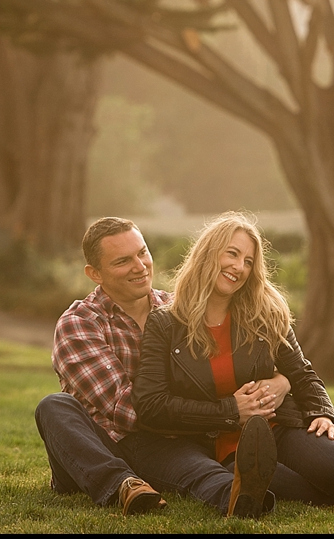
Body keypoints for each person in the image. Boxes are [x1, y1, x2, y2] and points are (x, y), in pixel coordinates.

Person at [133, 212, 334, 516]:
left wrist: (323, 413)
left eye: (248, 261)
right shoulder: (165, 324)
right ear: (208, 253)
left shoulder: (264, 313)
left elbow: (301, 371)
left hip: (279, 428)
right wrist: (230, 411)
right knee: (290, 486)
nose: (239, 267)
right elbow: (151, 404)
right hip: (221, 447)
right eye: (231, 254)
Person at [35, 216, 294, 516]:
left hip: (174, 440)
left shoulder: (178, 309)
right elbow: (127, 410)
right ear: (95, 273)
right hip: (105, 444)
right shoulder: (79, 324)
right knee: (54, 406)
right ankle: (123, 484)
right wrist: (221, 412)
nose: (140, 266)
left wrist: (281, 380)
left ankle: (244, 499)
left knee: (201, 470)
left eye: (142, 252)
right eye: (122, 261)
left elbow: (226, 371)